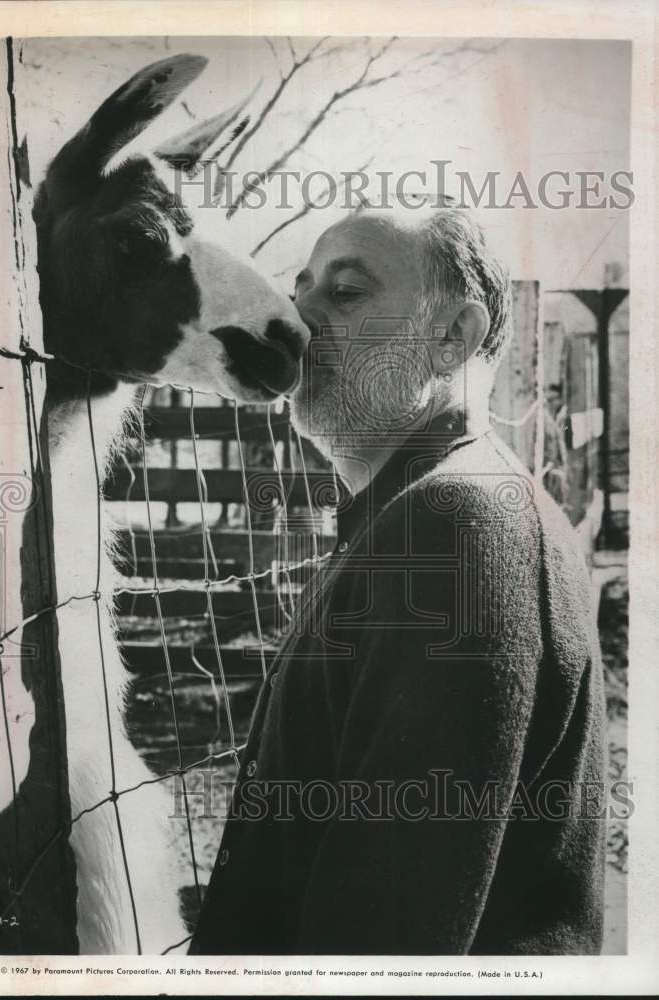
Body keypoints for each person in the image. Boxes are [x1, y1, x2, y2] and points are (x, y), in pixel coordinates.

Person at [188, 205, 606, 955]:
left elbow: (382, 946)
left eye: (344, 294)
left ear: (455, 335)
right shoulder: (429, 507)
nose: (297, 316)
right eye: (300, 286)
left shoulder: (454, 520)